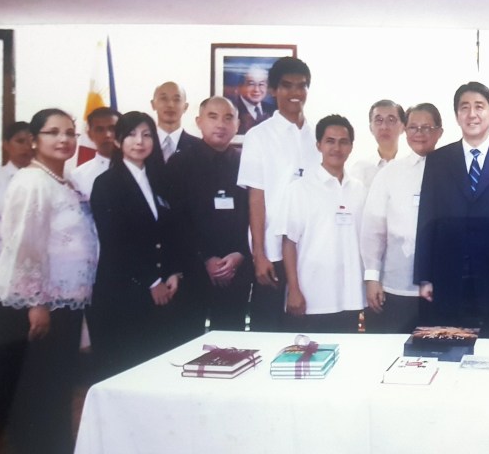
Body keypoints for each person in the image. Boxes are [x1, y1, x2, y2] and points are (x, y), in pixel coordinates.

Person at [0, 108, 97, 454]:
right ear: (34, 139)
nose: (64, 140)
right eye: (53, 133)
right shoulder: (32, 182)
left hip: (61, 303)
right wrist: (36, 304)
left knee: (53, 396)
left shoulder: (60, 181)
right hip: (33, 306)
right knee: (38, 400)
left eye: (70, 132)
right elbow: (25, 245)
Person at [414, 81, 489, 338]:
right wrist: (424, 276)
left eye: (479, 107)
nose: (472, 114)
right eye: (464, 107)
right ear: (457, 115)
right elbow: (427, 219)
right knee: (448, 346)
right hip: (448, 276)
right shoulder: (438, 160)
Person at [89, 111, 184, 378]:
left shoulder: (159, 180)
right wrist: (152, 281)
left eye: (146, 135)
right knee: (124, 366)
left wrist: (173, 272)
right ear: (118, 141)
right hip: (123, 292)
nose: (139, 141)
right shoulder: (107, 183)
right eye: (130, 134)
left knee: (154, 366)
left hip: (162, 290)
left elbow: (171, 232)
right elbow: (114, 241)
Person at [236, 56, 318, 332]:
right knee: (268, 329)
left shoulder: (317, 137)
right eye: (287, 86)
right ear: (273, 90)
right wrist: (259, 254)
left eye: (302, 86)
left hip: (308, 250)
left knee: (304, 332)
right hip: (272, 251)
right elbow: (255, 199)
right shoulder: (258, 136)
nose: (295, 93)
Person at [164, 96, 251, 333]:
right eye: (212, 117)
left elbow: (255, 215)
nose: (220, 124)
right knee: (187, 342)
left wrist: (240, 254)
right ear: (198, 121)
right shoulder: (180, 163)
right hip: (194, 269)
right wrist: (205, 258)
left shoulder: (246, 163)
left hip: (237, 268)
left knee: (231, 343)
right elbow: (176, 221)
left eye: (228, 118)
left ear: (238, 124)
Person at [360, 103, 443, 333]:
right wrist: (372, 278)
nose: (419, 133)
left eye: (427, 127)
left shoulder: (453, 170)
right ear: (405, 130)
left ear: (439, 132)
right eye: (413, 127)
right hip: (394, 287)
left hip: (440, 288)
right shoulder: (390, 173)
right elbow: (373, 231)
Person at [280, 114, 365, 333]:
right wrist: (294, 290)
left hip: (351, 298)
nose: (337, 148)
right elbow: (289, 243)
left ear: (351, 146)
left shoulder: (360, 190)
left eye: (343, 142)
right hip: (312, 298)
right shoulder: (299, 189)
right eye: (330, 141)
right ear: (318, 145)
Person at [0, 121, 34, 420]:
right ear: (6, 144)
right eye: (19, 141)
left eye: (31, 140)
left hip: (36, 280)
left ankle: (28, 413)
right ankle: (4, 412)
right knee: (6, 344)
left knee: (32, 346)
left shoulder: (44, 178)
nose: (27, 147)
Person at [351, 99, 406, 190]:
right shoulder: (360, 169)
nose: (384, 127)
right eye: (378, 120)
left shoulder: (412, 166)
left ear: (403, 127)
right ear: (371, 128)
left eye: (391, 120)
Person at [69, 107, 119, 200]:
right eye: (100, 130)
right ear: (89, 134)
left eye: (113, 129)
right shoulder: (77, 177)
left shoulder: (141, 167)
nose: (107, 135)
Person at [151, 81, 199, 162]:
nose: (170, 105)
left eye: (177, 100)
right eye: (164, 98)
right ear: (153, 105)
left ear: (185, 107)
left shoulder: (199, 147)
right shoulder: (143, 145)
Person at [234, 65, 276, 135]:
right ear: (240, 87)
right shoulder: (233, 110)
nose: (256, 89)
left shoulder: (273, 110)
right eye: (251, 84)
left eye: (261, 84)